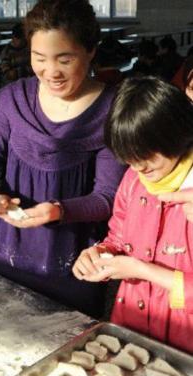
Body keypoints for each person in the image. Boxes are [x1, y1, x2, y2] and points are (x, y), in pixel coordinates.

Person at [0, 0, 126, 317]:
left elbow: (107, 197)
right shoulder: (14, 99)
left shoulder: (111, 110)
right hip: (10, 251)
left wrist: (57, 211)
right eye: (39, 58)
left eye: (64, 59)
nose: (50, 72)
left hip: (75, 262)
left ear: (91, 50)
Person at [73, 77, 193, 354]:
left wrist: (141, 271)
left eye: (146, 154)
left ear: (176, 134)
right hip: (132, 329)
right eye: (129, 156)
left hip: (183, 344)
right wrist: (100, 253)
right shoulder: (135, 179)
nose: (138, 165)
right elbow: (118, 236)